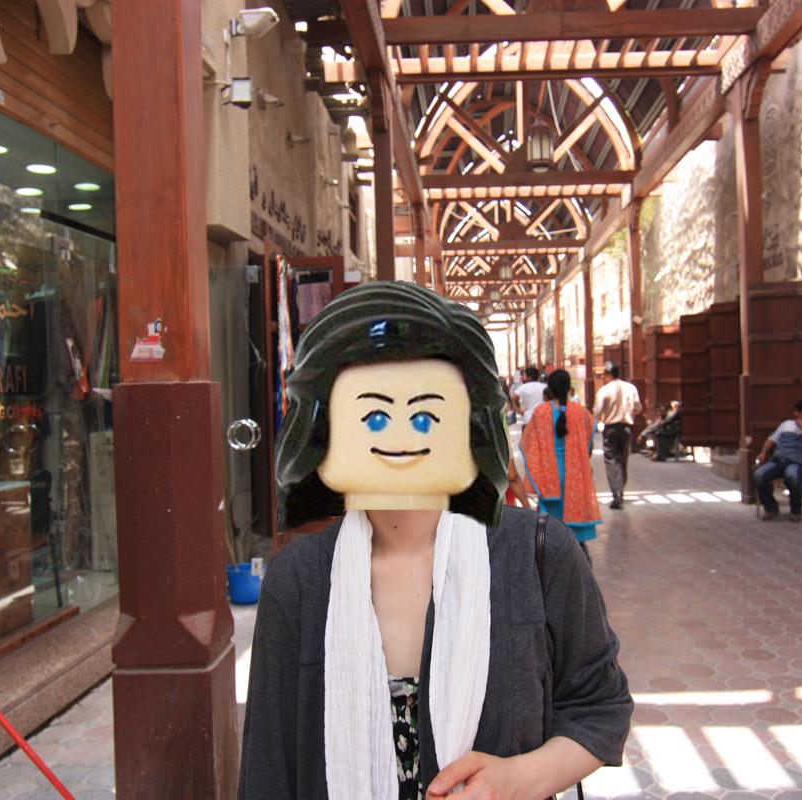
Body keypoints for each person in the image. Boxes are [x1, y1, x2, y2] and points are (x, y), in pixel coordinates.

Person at [239, 282, 632, 800]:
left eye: (426, 416)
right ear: (324, 434)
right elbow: (269, 771)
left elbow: (600, 708)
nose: (401, 438)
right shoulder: (298, 580)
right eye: (373, 417)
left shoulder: (537, 555)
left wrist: (518, 779)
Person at [519, 370, 602, 552]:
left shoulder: (541, 412)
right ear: (568, 387)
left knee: (551, 525)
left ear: (549, 388)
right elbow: (588, 442)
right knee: (574, 518)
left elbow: (527, 444)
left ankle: (554, 559)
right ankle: (578, 558)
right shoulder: (581, 412)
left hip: (549, 476)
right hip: (574, 474)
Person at [753, 398, 802, 522]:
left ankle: (796, 510)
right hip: (778, 460)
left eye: (799, 412)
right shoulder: (786, 424)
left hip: (796, 462)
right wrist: (763, 452)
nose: (795, 414)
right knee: (759, 475)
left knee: (792, 477)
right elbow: (772, 439)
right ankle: (771, 508)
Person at [592, 363, 641, 509]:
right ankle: (621, 490)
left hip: (610, 428)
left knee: (611, 460)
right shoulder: (631, 388)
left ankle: (616, 494)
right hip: (626, 427)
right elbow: (638, 407)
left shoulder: (604, 390)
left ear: (608, 375)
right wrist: (629, 413)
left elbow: (597, 411)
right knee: (623, 459)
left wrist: (599, 421)